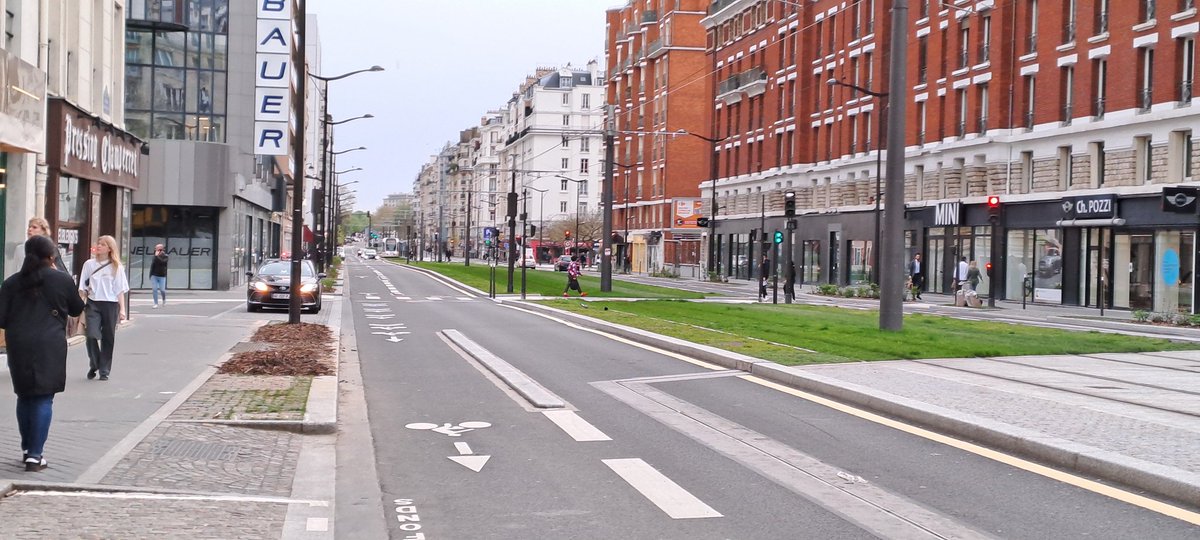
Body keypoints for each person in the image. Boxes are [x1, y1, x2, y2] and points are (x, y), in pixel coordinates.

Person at [0, 236, 86, 472]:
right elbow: (78, 308)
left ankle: (28, 450)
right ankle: (35, 456)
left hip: (19, 343)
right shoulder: (60, 279)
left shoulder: (12, 283)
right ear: (51, 257)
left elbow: (2, 318)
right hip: (49, 343)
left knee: (25, 395)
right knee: (43, 397)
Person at [79, 235, 129, 381]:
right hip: (93, 302)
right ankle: (95, 363)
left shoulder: (116, 267)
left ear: (109, 248)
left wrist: (122, 310)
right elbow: (82, 286)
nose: (99, 246)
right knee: (91, 335)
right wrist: (81, 300)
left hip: (110, 304)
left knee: (108, 337)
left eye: (102, 244)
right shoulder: (89, 264)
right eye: (98, 243)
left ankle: (104, 370)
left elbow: (120, 290)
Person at [149, 244, 168, 308]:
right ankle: (155, 303)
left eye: (157, 249)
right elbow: (152, 265)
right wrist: (150, 274)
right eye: (155, 248)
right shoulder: (154, 256)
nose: (155, 250)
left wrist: (157, 256)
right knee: (154, 289)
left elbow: (162, 263)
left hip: (162, 276)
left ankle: (164, 299)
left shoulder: (165, 256)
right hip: (154, 275)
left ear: (161, 249)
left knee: (162, 290)